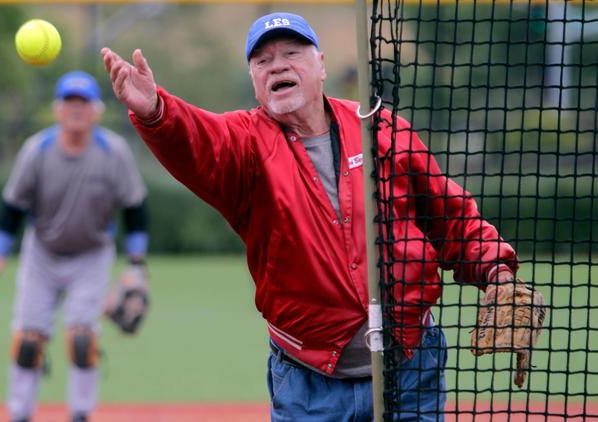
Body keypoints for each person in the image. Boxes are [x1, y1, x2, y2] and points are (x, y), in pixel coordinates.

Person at [101, 12, 520, 421]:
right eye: (263, 61)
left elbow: (450, 217)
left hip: (409, 369)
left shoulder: (382, 131)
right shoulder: (245, 145)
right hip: (309, 382)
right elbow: (197, 139)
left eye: (292, 53)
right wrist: (155, 111)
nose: (277, 66)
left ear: (321, 65)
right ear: (254, 80)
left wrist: (497, 272)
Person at [0, 70, 149, 422]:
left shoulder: (113, 152)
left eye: (84, 102)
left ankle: (80, 414)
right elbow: (13, 207)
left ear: (96, 110)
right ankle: (20, 413)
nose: (76, 108)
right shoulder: (37, 150)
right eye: (69, 101)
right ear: (57, 109)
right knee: (28, 340)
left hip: (92, 254)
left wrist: (136, 263)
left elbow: (135, 207)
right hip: (42, 253)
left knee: (82, 340)